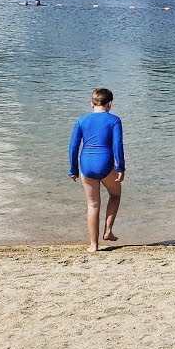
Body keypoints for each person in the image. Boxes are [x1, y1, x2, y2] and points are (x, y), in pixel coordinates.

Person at [68, 88, 126, 252]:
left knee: (92, 206)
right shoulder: (114, 120)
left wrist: (73, 168)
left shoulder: (81, 120)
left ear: (91, 104)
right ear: (110, 104)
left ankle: (93, 245)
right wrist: (120, 166)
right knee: (115, 195)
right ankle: (108, 231)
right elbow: (117, 146)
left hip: (86, 164)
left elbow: (73, 147)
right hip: (105, 163)